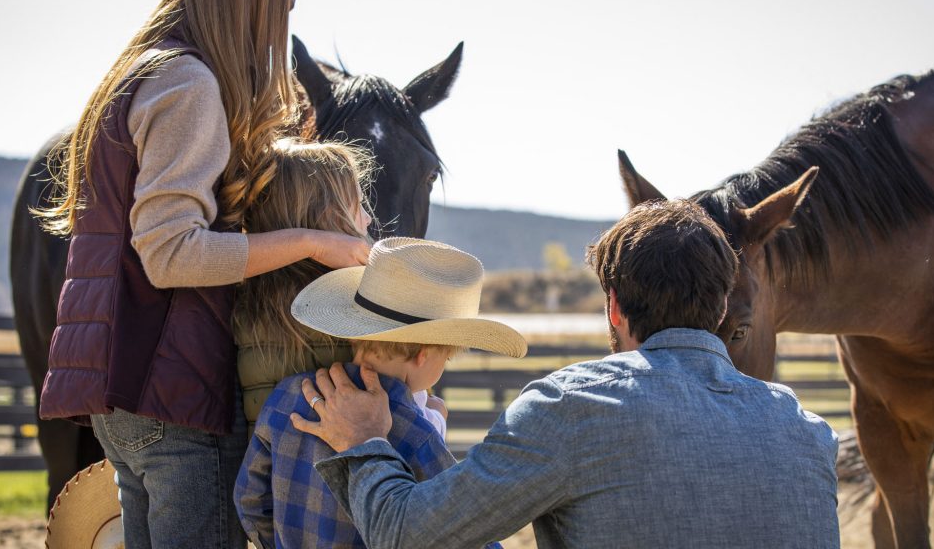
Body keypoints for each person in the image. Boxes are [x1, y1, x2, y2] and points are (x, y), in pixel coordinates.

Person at [35, 0, 371, 547]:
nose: (285, 12)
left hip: (124, 389)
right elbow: (170, 254)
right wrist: (312, 241)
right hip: (174, 392)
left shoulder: (139, 73)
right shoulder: (189, 83)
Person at [295, 201, 841, 549]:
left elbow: (407, 537)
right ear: (721, 309)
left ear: (613, 309)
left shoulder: (573, 409)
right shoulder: (808, 433)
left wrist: (364, 440)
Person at [234, 237, 525, 549]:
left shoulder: (289, 394)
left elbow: (249, 499)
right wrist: (435, 429)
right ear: (423, 354)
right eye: (447, 357)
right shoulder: (416, 429)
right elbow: (461, 531)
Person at [234, 140, 375, 429]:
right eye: (358, 206)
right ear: (329, 216)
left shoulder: (245, 300)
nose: (368, 218)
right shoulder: (352, 304)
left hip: (266, 468)